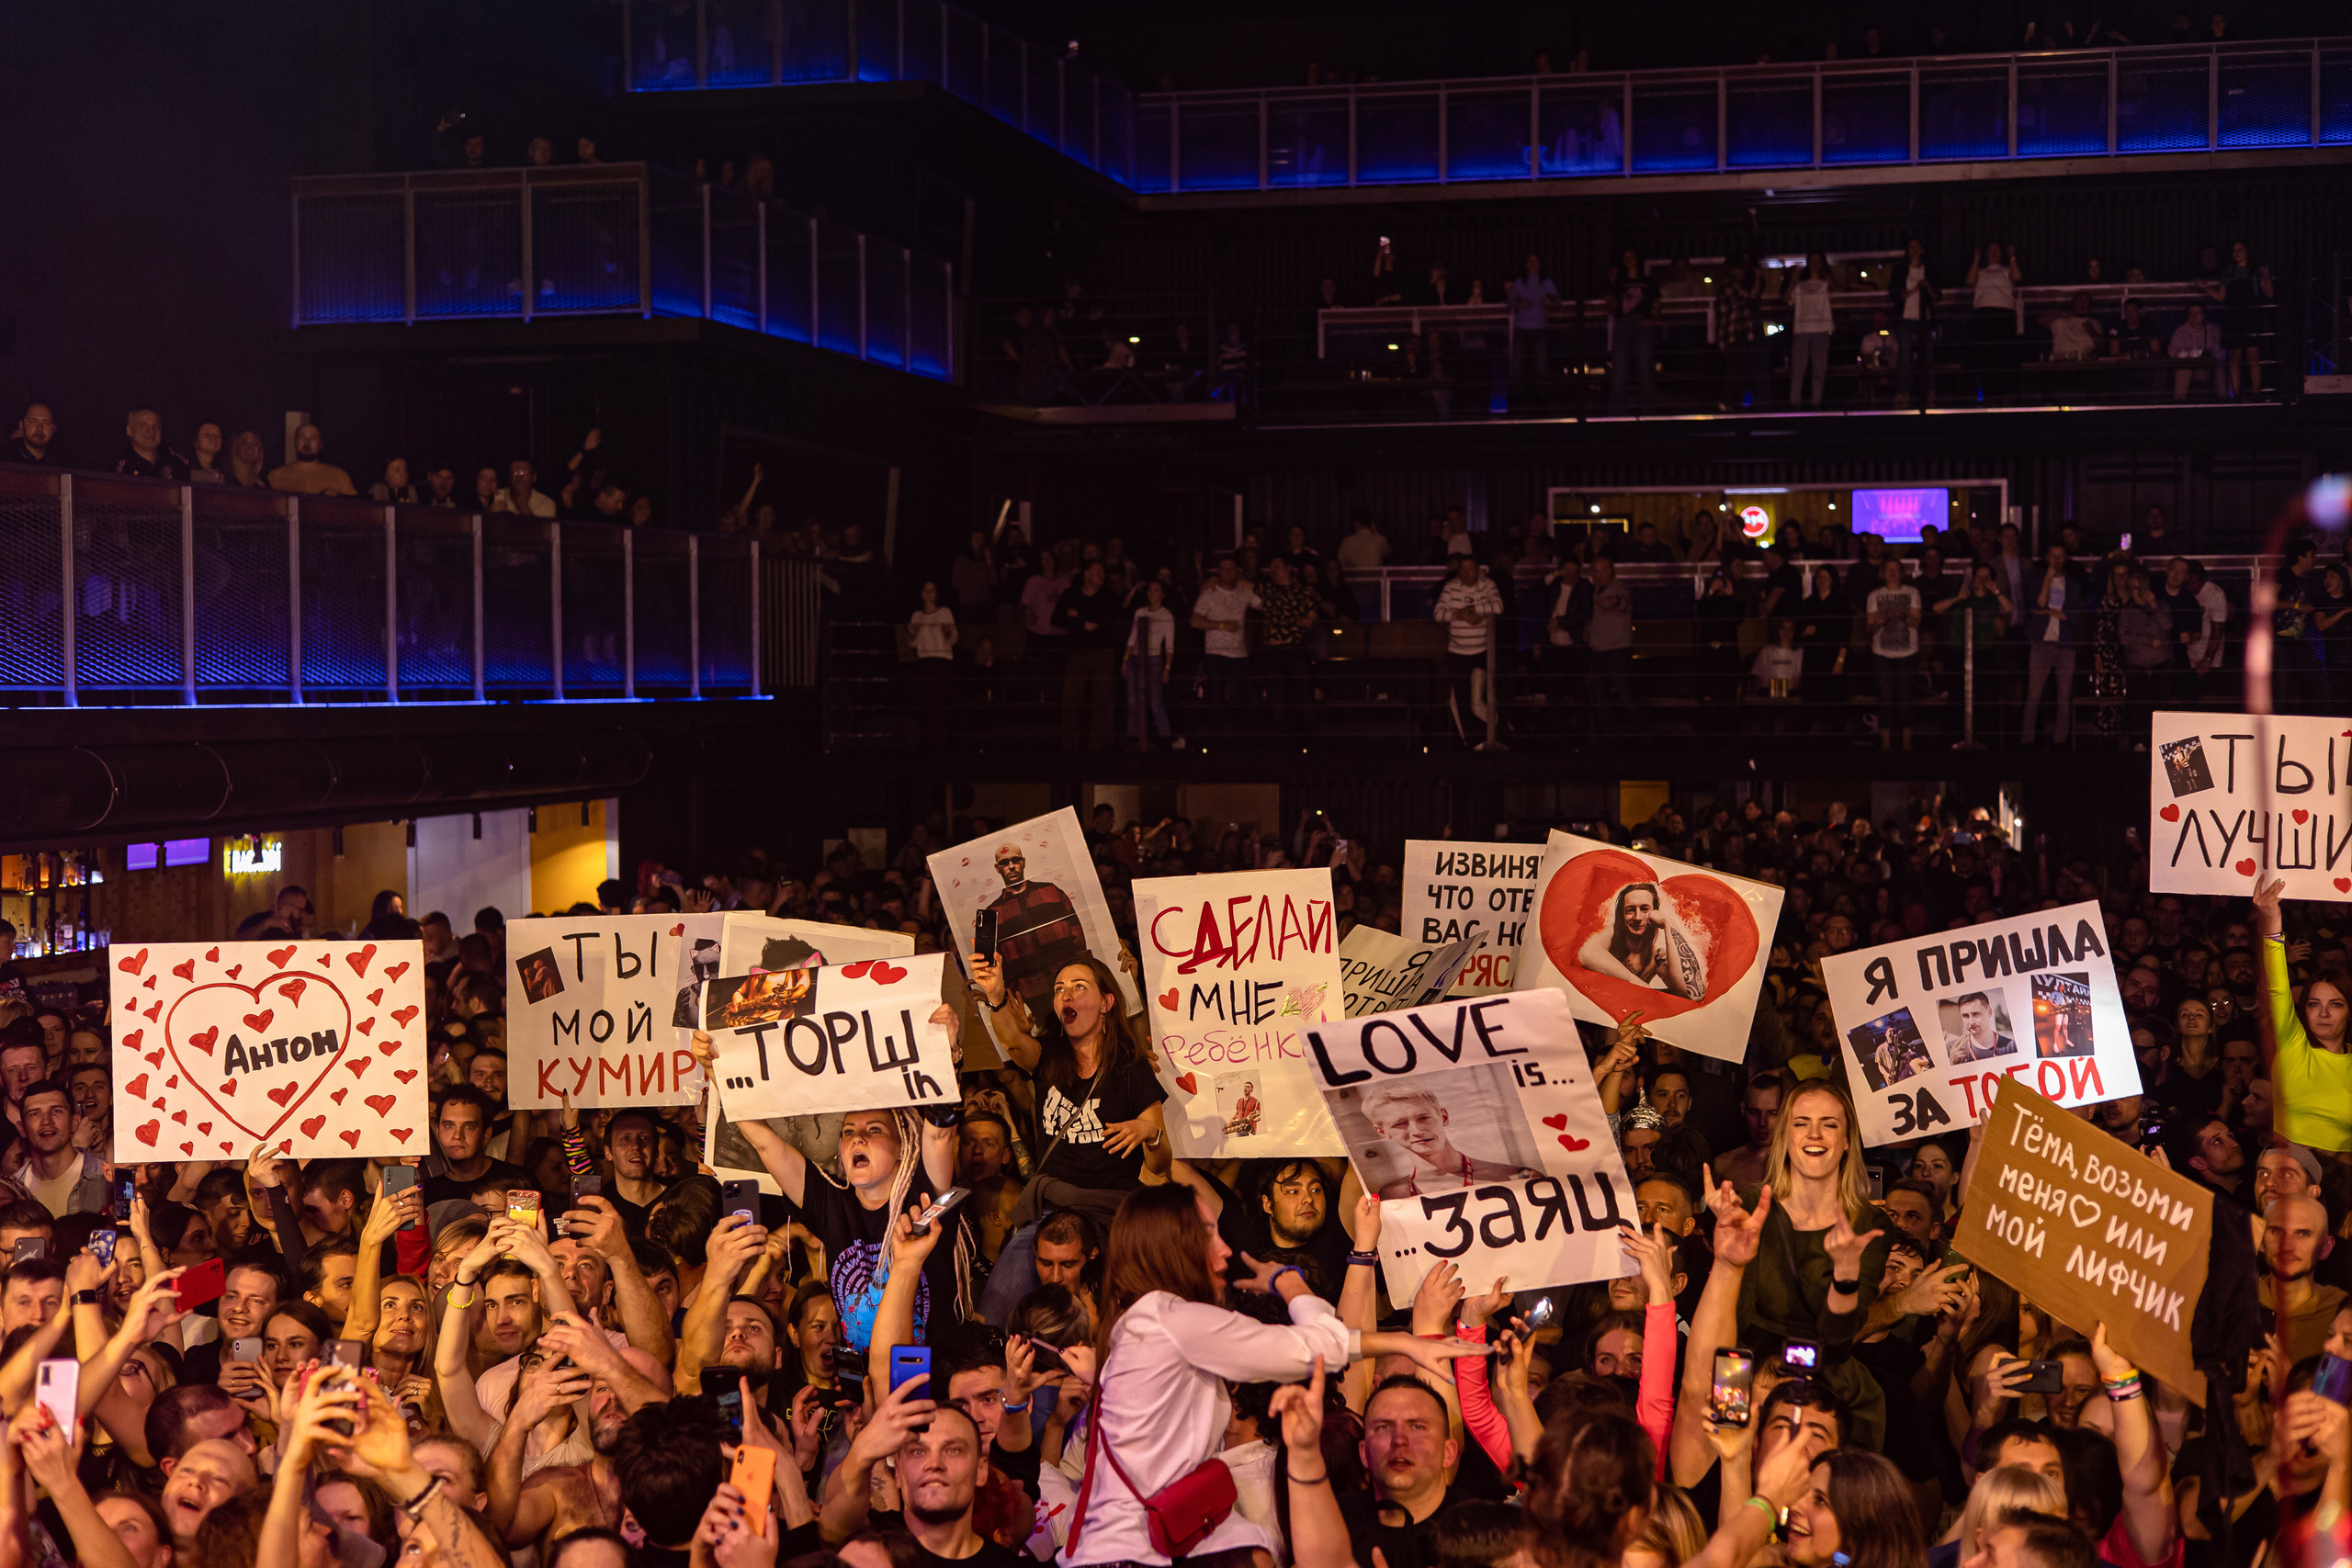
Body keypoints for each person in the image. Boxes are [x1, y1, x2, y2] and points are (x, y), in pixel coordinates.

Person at [1060, 1184, 1484, 1566]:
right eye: (1208, 1233)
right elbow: (1316, 1347)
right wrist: (1289, 1283)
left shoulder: (1143, 1323)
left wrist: (1405, 1344)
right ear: (1173, 1245)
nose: (1225, 1250)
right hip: (1129, 1556)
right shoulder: (1170, 1321)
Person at [2253, 877, 2352, 1152]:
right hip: (2288, 1172)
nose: (2322, 1013)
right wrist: (2272, 921)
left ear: (2349, 1012)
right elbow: (2277, 988)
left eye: (2335, 1004)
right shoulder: (2292, 1043)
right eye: (2313, 1004)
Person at [1359, 1083, 1543, 1199]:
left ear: (1443, 1117)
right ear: (1383, 1132)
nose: (1417, 1131)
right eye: (1400, 1124)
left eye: (1424, 1118)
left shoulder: (1517, 1177)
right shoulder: (1391, 1195)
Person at [1581, 883, 1704, 999]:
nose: (1638, 917)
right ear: (1622, 915)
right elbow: (1587, 954)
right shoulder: (1613, 933)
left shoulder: (1656, 957)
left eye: (1645, 909)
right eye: (1630, 910)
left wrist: (1668, 924)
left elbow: (1693, 994)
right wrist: (1638, 983)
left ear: (1655, 913)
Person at [1433, 555, 1505, 746]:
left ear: (1477, 570)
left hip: (1481, 654)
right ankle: (1472, 743)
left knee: (1476, 701)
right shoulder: (1450, 587)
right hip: (1457, 655)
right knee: (1461, 702)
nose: (1466, 573)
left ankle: (1501, 730)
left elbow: (1498, 607)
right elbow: (1438, 613)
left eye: (1470, 569)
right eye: (1462, 570)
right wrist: (1459, 615)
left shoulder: (1487, 586)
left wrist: (1474, 610)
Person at [2019, 546, 2082, 746]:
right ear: (2047, 557)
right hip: (2041, 644)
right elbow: (2037, 605)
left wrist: (2049, 612)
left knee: (2064, 697)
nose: (2056, 560)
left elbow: (2072, 617)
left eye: (2060, 556)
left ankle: (2060, 742)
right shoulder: (2037, 580)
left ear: (2066, 558)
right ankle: (2027, 741)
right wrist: (2047, 578)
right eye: (2053, 556)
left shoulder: (2072, 585)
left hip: (2065, 645)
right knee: (2033, 696)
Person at [1864, 558, 1922, 750]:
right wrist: (1879, 622)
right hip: (1881, 653)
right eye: (1888, 570)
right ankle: (1886, 744)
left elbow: (1916, 623)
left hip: (1908, 652)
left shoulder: (1912, 593)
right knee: (1886, 698)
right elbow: (1869, 629)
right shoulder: (1874, 596)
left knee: (1906, 697)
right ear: (1883, 573)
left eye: (1896, 569)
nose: (1892, 573)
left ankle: (1907, 743)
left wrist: (1902, 616)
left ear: (1901, 572)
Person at [1122, 579, 1175, 750]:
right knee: (1132, 700)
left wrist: (1167, 668)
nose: (1152, 593)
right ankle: (1133, 736)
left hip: (1153, 658)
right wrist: (1125, 660)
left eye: (1156, 590)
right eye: (1150, 590)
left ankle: (1165, 737)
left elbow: (1169, 645)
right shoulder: (1140, 612)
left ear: (1162, 594)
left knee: (1154, 701)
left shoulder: (1166, 615)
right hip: (1135, 657)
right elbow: (1133, 637)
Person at [1788, 254, 1835, 405]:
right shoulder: (1800, 285)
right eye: (1812, 261)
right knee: (1798, 368)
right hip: (1802, 329)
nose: (1815, 264)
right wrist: (1794, 280)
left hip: (1821, 328)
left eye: (1818, 261)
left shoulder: (1825, 283)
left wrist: (1828, 277)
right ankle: (1795, 403)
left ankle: (1816, 403)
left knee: (1819, 369)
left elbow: (1838, 291)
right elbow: (1787, 300)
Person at [266, 424, 357, 495]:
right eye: (302, 437)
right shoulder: (275, 476)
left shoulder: (340, 476)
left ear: (321, 444)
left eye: (313, 438)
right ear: (295, 442)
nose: (307, 443)